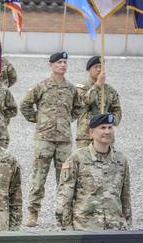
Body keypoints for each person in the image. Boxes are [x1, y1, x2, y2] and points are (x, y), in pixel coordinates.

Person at [20, 51, 86, 227]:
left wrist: (65, 121)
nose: (62, 65)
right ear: (51, 65)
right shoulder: (41, 86)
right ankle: (33, 214)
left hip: (64, 139)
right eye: (59, 62)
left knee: (64, 179)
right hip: (44, 139)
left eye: (65, 62)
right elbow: (25, 104)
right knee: (38, 177)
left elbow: (78, 108)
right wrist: (38, 119)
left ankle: (62, 216)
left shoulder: (71, 89)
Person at [56, 113, 132, 231]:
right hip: (85, 228)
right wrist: (66, 228)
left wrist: (127, 225)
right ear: (91, 133)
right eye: (102, 128)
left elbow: (125, 197)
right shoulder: (77, 158)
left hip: (115, 227)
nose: (107, 131)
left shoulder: (120, 160)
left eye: (110, 127)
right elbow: (65, 196)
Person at [75, 56, 122, 149]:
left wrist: (109, 121)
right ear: (89, 69)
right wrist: (97, 85)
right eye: (96, 67)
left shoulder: (110, 90)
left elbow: (117, 110)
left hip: (105, 136)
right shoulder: (82, 87)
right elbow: (84, 101)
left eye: (101, 67)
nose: (99, 69)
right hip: (86, 136)